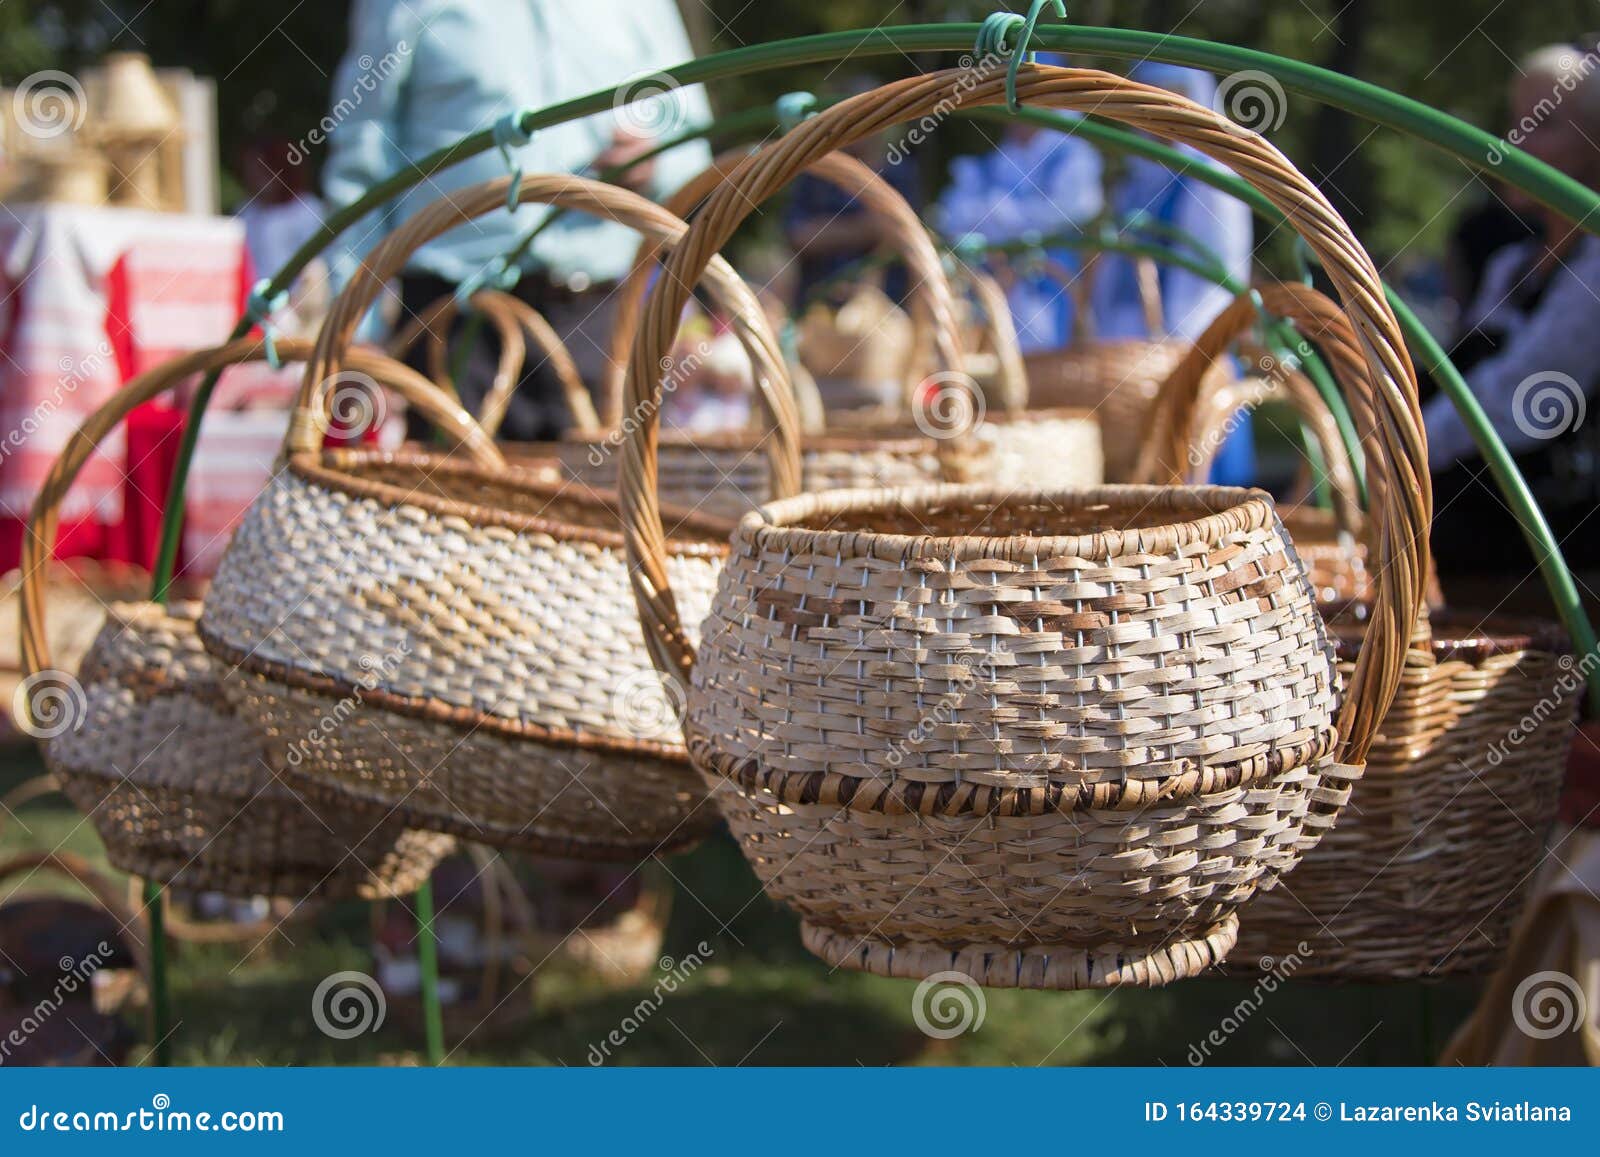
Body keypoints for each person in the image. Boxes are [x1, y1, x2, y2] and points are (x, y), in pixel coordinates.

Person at [321, 0, 710, 440]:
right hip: (453, 324)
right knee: (447, 482)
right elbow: (361, 166)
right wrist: (357, 330)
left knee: (599, 482)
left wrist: (656, 162)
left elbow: (693, 141)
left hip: (598, 323)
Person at [1426, 42, 1600, 579]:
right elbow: (1470, 377)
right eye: (1516, 121)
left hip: (1551, 526)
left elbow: (1516, 400)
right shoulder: (1511, 266)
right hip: (1479, 495)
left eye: (1545, 123)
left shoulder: (1594, 269)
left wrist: (1391, 456)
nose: (1515, 141)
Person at [936, 118, 1104, 351]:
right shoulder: (987, 164)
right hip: (990, 301)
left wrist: (997, 219)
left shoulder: (1072, 156)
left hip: (1049, 299)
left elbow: (1073, 209)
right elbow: (953, 218)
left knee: (1044, 357)